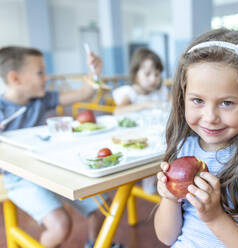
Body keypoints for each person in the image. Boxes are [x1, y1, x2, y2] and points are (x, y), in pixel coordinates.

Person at [154, 29, 238, 247]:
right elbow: (166, 237)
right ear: (183, 97)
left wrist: (215, 218)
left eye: (226, 103)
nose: (210, 118)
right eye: (198, 100)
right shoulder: (183, 149)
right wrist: (170, 198)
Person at [0, 46, 122, 248]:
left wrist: (94, 72)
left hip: (49, 167)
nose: (47, 77)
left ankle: (96, 244)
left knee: (102, 207)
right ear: (15, 79)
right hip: (18, 178)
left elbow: (84, 93)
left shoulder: (40, 99)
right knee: (60, 226)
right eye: (40, 72)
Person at [97, 47, 168, 194]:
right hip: (135, 136)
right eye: (147, 74)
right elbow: (117, 111)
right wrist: (144, 104)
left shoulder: (160, 92)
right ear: (135, 73)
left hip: (156, 134)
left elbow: (171, 106)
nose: (153, 79)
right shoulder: (129, 93)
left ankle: (158, 185)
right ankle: (150, 187)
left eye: (157, 74)